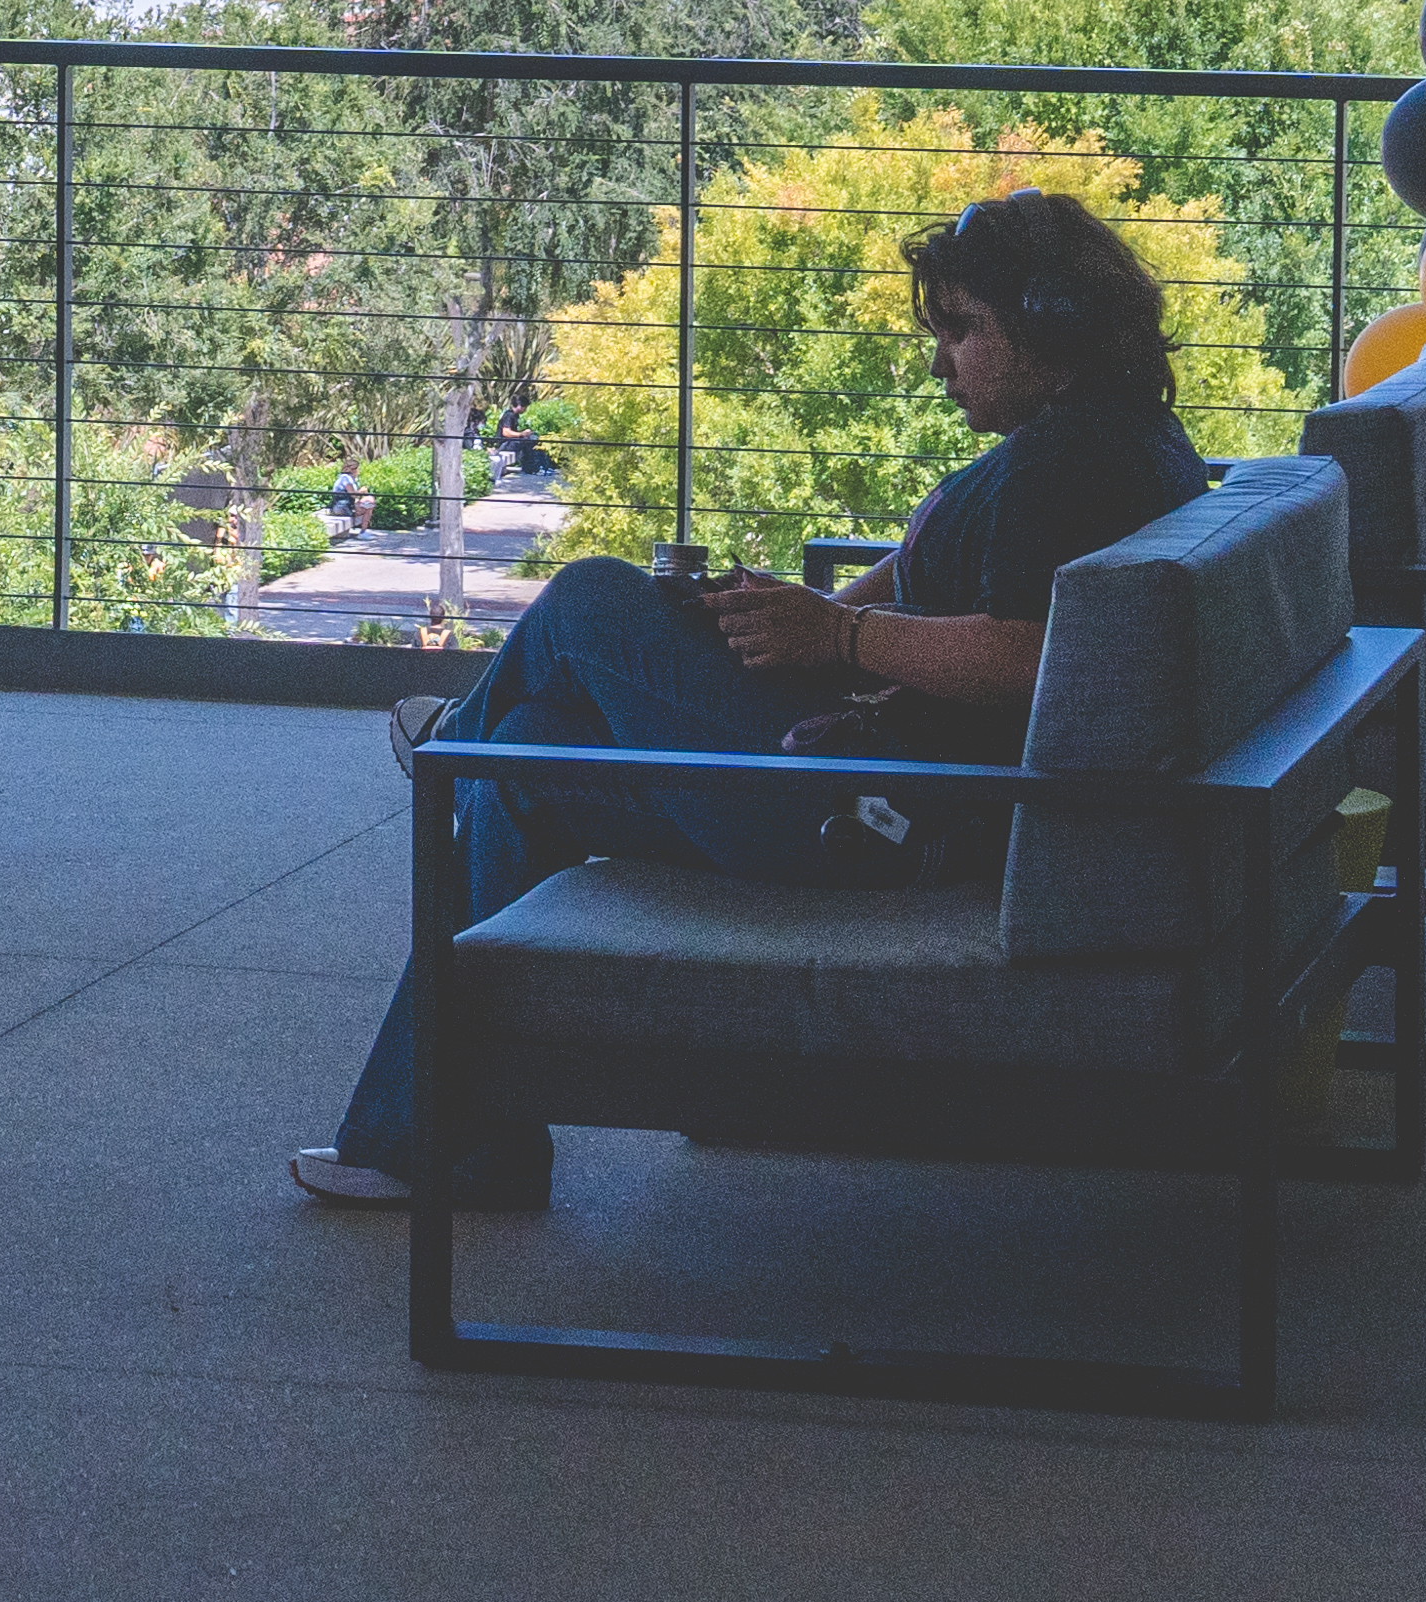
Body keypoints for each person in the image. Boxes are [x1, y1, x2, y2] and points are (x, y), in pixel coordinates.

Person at [289, 188, 1214, 1209]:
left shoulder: (1070, 465)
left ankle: (441, 758)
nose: (938, 362)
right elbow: (957, 591)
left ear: (1050, 324)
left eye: (962, 331)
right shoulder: (1108, 436)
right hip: (878, 780)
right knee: (529, 751)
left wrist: (838, 634)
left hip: (877, 815)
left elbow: (1031, 659)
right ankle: (453, 1146)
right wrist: (793, 615)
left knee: (589, 598)